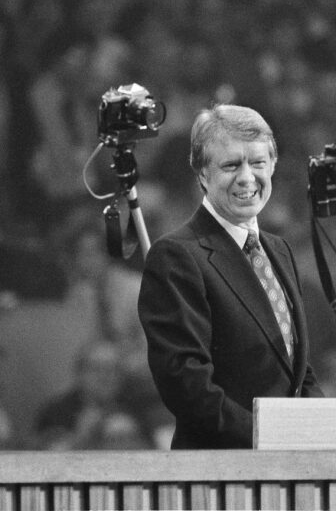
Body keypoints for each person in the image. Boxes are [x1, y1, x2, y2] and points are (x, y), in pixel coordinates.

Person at [138, 104, 324, 449]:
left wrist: (320, 429)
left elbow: (297, 368)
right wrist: (267, 438)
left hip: (289, 471)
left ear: (273, 166)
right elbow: (187, 386)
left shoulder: (279, 250)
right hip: (220, 474)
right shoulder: (177, 256)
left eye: (257, 163)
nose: (247, 177)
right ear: (202, 175)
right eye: (230, 165)